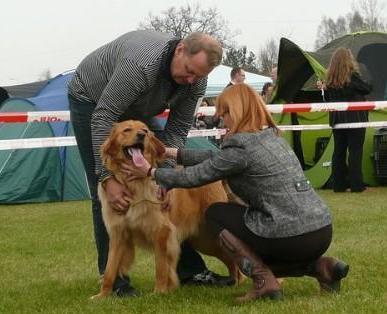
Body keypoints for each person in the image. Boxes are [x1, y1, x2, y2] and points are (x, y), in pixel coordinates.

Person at [126, 83, 349, 303]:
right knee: (266, 241)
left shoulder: (239, 147)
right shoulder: (273, 138)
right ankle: (322, 267)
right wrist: (171, 153)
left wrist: (151, 172)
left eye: (223, 113)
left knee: (216, 213)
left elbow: (193, 177)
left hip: (289, 235)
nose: (221, 119)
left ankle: (264, 282)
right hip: (321, 231)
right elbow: (216, 159)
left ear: (235, 111)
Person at [67, 30, 233, 297]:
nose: (191, 80)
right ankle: (115, 284)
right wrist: (106, 179)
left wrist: (164, 178)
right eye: (189, 70)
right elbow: (104, 115)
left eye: (199, 76)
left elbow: (177, 130)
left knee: (164, 190)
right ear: (180, 50)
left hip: (140, 108)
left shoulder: (195, 82)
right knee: (108, 196)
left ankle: (189, 272)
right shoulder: (140, 66)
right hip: (93, 100)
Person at [324, 48, 372, 192]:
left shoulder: (330, 79)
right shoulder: (353, 77)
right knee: (355, 151)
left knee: (339, 151)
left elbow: (328, 98)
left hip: (337, 119)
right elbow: (367, 89)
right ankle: (357, 185)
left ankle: (338, 185)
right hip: (355, 118)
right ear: (348, 61)